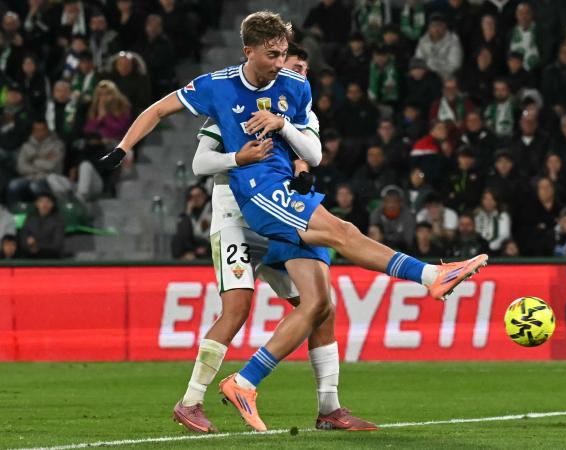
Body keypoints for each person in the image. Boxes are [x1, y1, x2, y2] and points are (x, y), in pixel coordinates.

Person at [101, 11, 487, 432]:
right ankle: (430, 274)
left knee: (320, 304)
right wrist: (123, 150)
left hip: (283, 194)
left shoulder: (295, 89)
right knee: (253, 296)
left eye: (288, 56)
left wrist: (285, 130)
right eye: (274, 56)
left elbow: (310, 153)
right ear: (248, 51)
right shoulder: (217, 89)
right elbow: (174, 130)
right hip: (244, 201)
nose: (284, 65)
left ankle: (309, 402)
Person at [173, 52, 375, 433]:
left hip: (275, 221)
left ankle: (329, 408)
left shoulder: (301, 115)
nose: (296, 75)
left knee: (319, 308)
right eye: (290, 67)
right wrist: (239, 156)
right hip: (234, 221)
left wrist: (300, 169)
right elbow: (201, 163)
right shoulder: (230, 107)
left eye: (302, 70)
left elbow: (309, 157)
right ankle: (190, 402)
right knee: (236, 310)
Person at [170, 184, 212, 260]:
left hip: (208, 246)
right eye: (192, 197)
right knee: (176, 239)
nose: (195, 199)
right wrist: (188, 212)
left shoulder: (212, 211)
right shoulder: (187, 214)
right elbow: (183, 235)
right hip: (193, 247)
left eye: (198, 196)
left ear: (205, 196)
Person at [19, 192, 65, 258]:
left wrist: (36, 246)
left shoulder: (58, 222)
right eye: (41, 201)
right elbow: (23, 242)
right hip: (30, 256)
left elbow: (57, 245)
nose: (44, 205)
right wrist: (30, 247)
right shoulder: (29, 219)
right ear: (36, 203)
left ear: (52, 204)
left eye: (48, 202)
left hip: (51, 258)